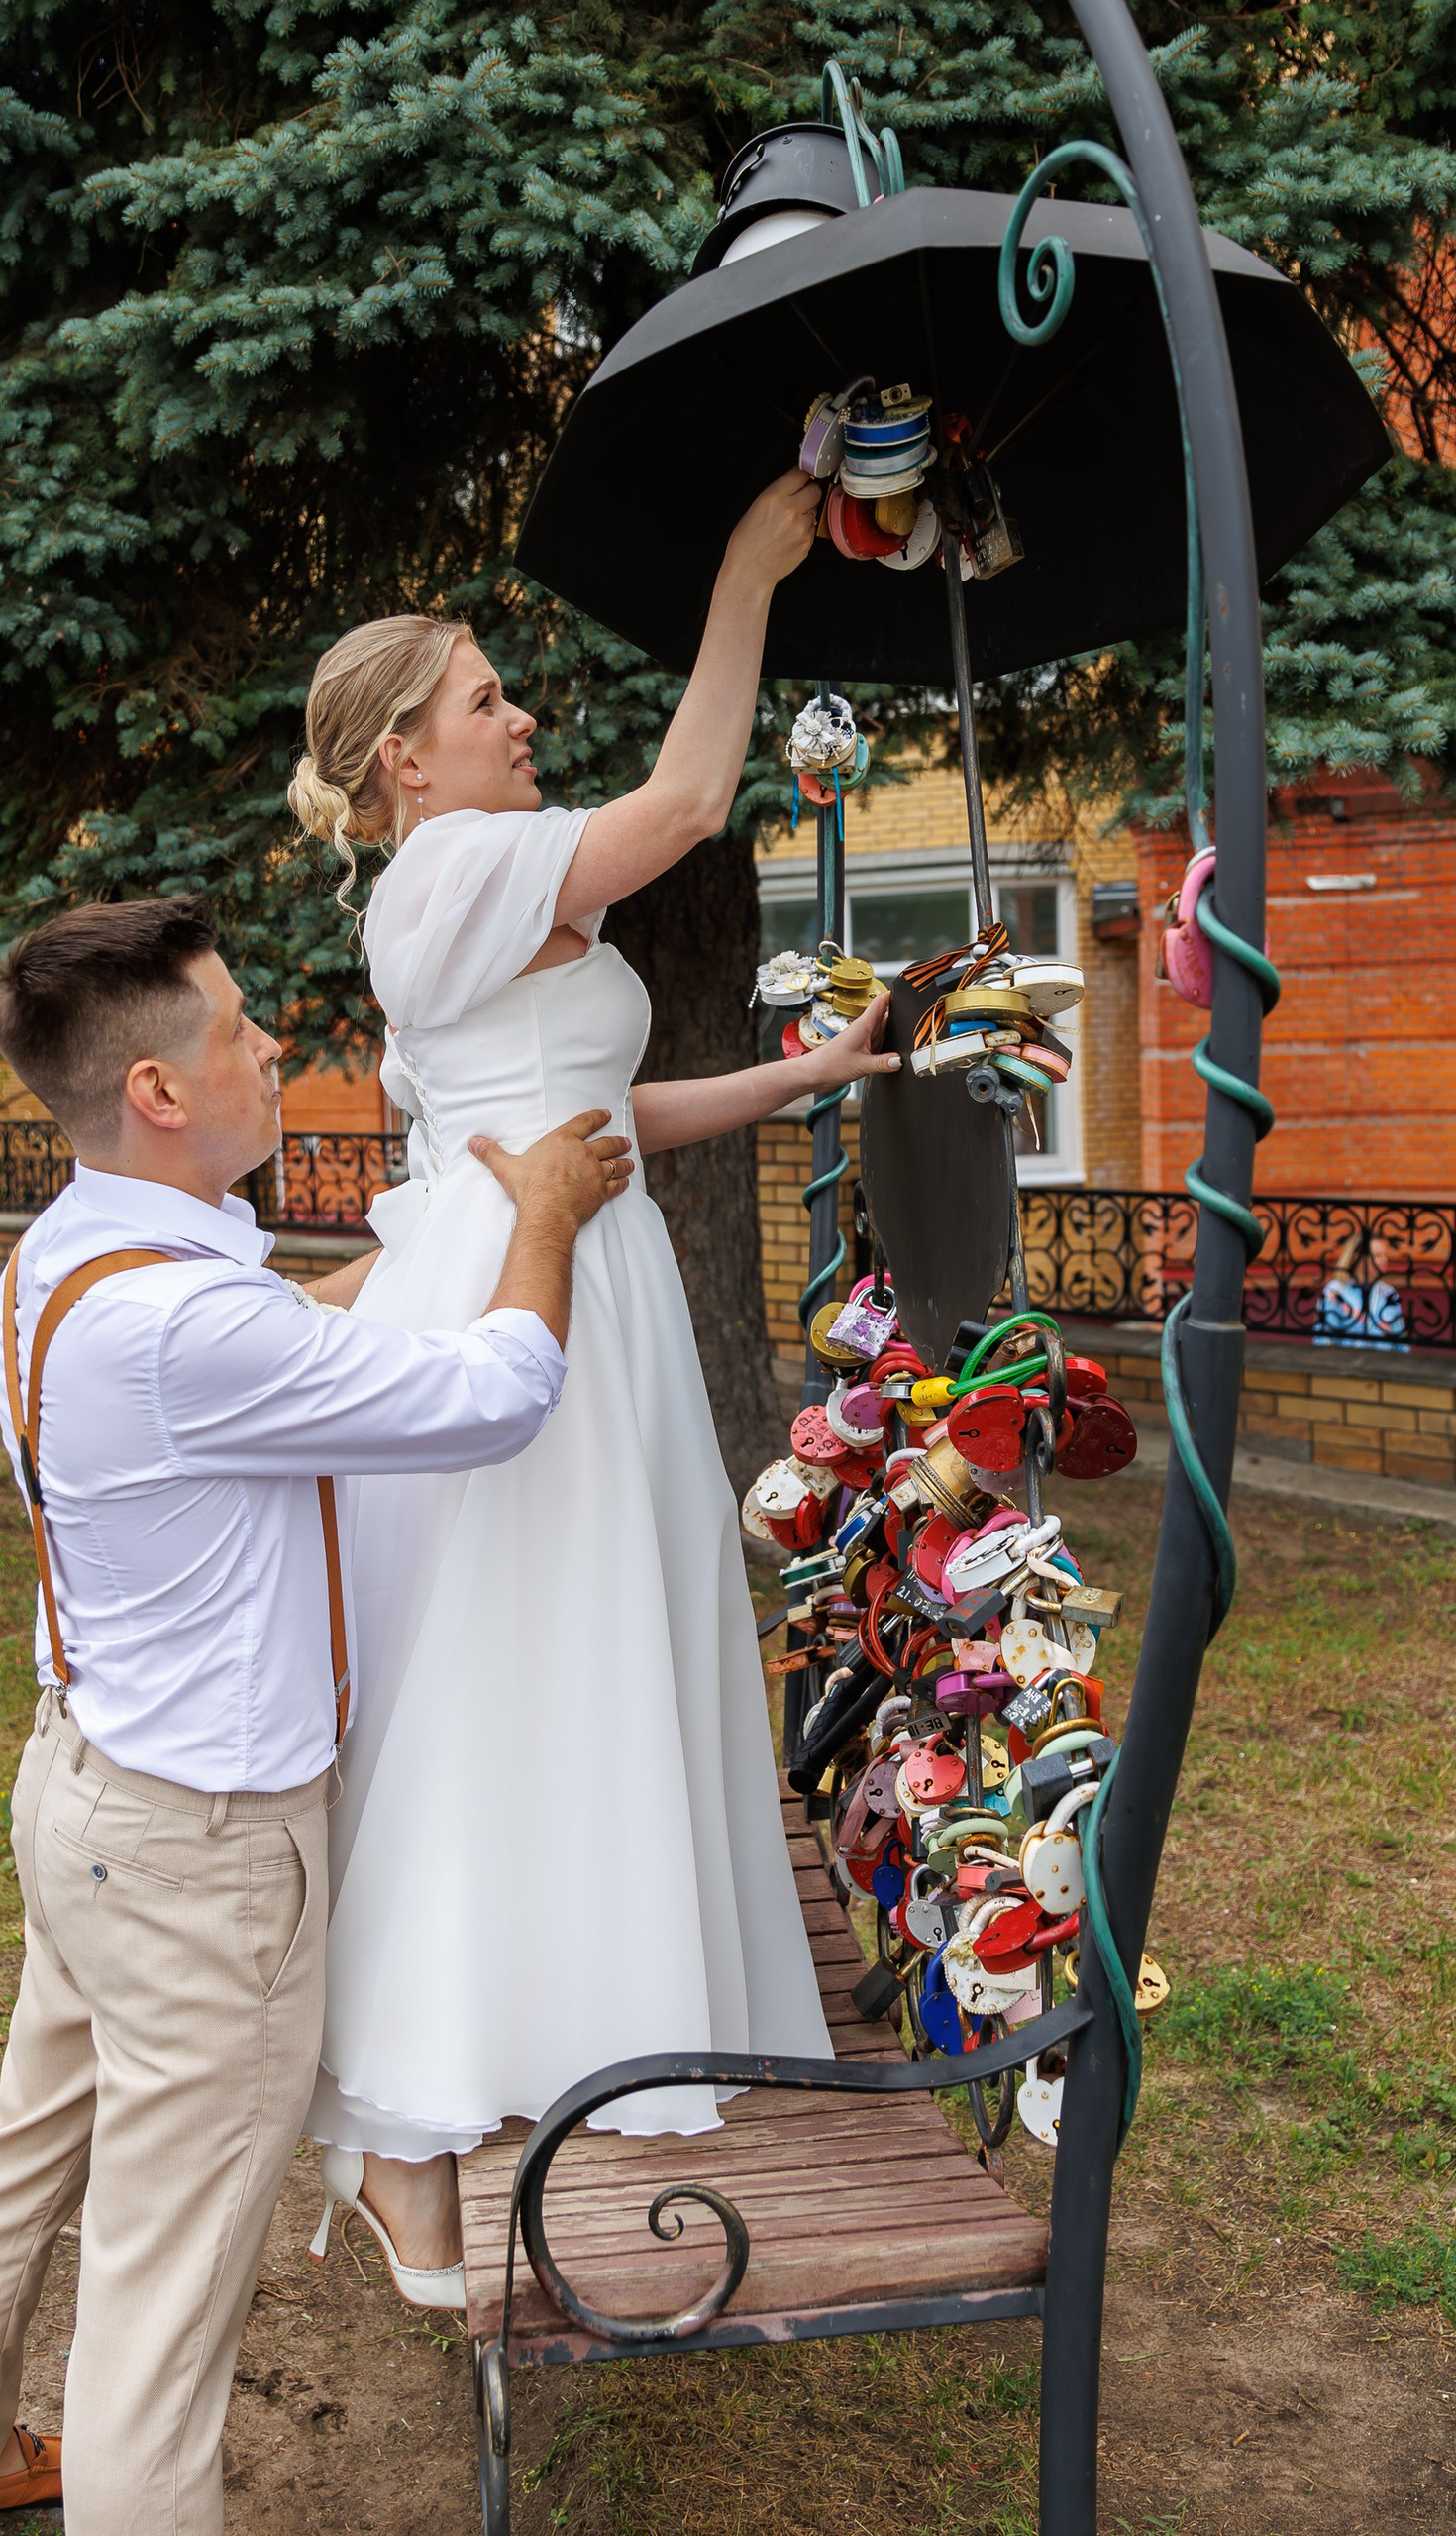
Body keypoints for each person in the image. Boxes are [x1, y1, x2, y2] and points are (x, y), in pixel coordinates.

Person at [0, 897, 632, 2536]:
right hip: (207, 1859)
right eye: (234, 1026)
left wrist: (421, 1256)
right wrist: (545, 1219)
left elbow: (292, 1336)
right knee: (163, 2284)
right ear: (153, 1089)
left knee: (24, 2147)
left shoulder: (77, 1255)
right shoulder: (187, 1319)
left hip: (83, 1802)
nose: (273, 1043)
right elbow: (497, 1398)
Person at [282, 471, 901, 2296]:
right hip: (519, 1282)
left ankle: (595, 1989)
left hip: (582, 1256)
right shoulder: (460, 866)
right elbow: (698, 799)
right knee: (516, 1640)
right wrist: (746, 564)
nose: (523, 714)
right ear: (406, 757)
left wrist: (820, 1071)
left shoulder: (484, 885)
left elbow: (609, 1115)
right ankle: (423, 2083)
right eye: (488, 700)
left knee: (583, 1627)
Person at [1316, 1224, 1408, 1350]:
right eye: (1376, 1255)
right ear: (1357, 1258)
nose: (1384, 1260)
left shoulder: (1388, 1293)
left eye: (1384, 1255)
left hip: (1384, 1366)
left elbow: (1401, 1342)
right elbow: (1324, 1341)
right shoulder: (1335, 1291)